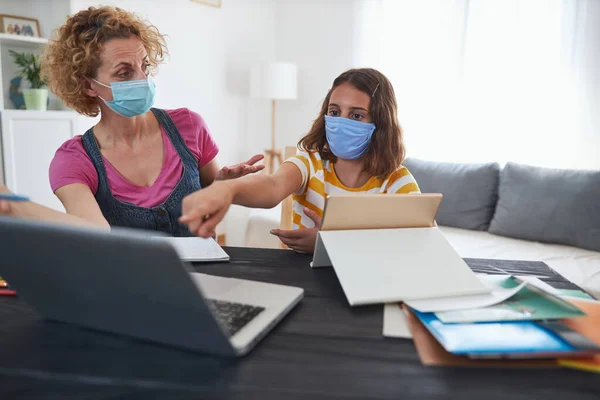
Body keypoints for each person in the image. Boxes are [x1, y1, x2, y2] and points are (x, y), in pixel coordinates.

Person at [0, 6, 263, 237]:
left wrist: (224, 186)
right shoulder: (75, 159)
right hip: (128, 290)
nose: (143, 79)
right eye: (124, 73)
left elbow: (211, 197)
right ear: (89, 85)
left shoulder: (189, 126)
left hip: (205, 283)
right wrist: (13, 205)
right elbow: (93, 231)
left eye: (145, 66)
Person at [178, 68, 421, 253]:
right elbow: (273, 186)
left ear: (380, 122)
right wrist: (227, 190)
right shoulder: (310, 161)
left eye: (356, 115)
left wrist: (330, 244)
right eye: (335, 112)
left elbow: (418, 244)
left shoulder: (396, 182)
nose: (341, 122)